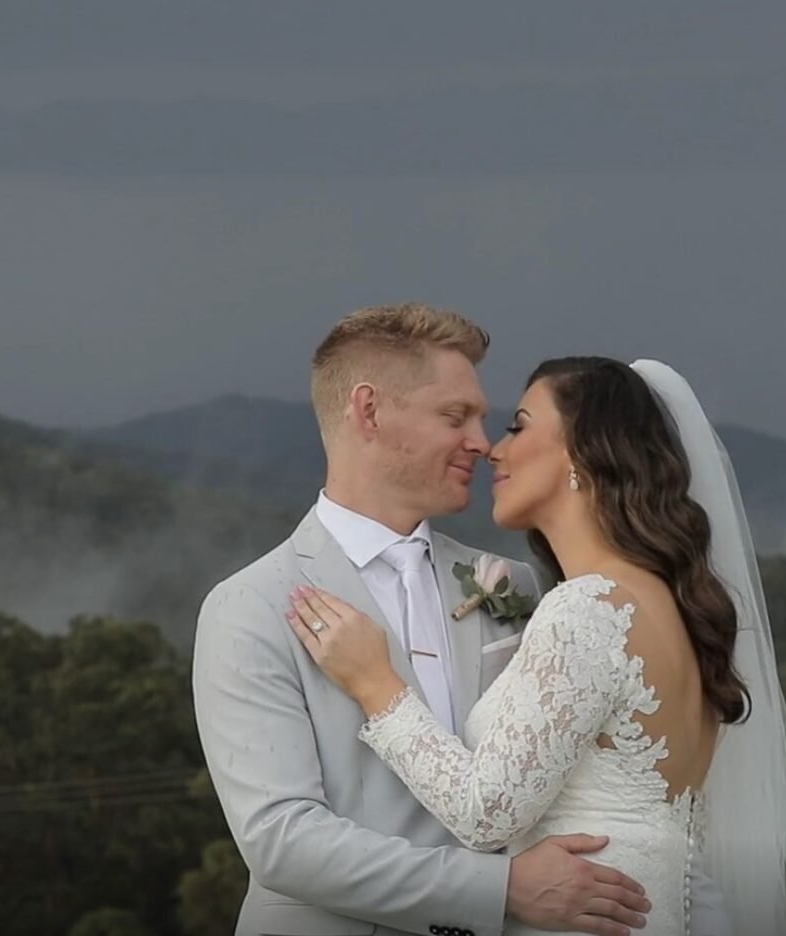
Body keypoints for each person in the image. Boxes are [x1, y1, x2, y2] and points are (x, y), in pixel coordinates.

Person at [194, 307, 686, 936]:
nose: (482, 442)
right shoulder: (251, 605)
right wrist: (501, 890)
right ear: (369, 411)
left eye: (484, 419)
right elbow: (282, 841)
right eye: (456, 417)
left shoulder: (517, 585)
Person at [287, 356, 786, 935]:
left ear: (583, 453)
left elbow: (485, 814)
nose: (494, 451)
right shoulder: (673, 608)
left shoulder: (587, 609)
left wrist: (375, 684)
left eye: (518, 426)